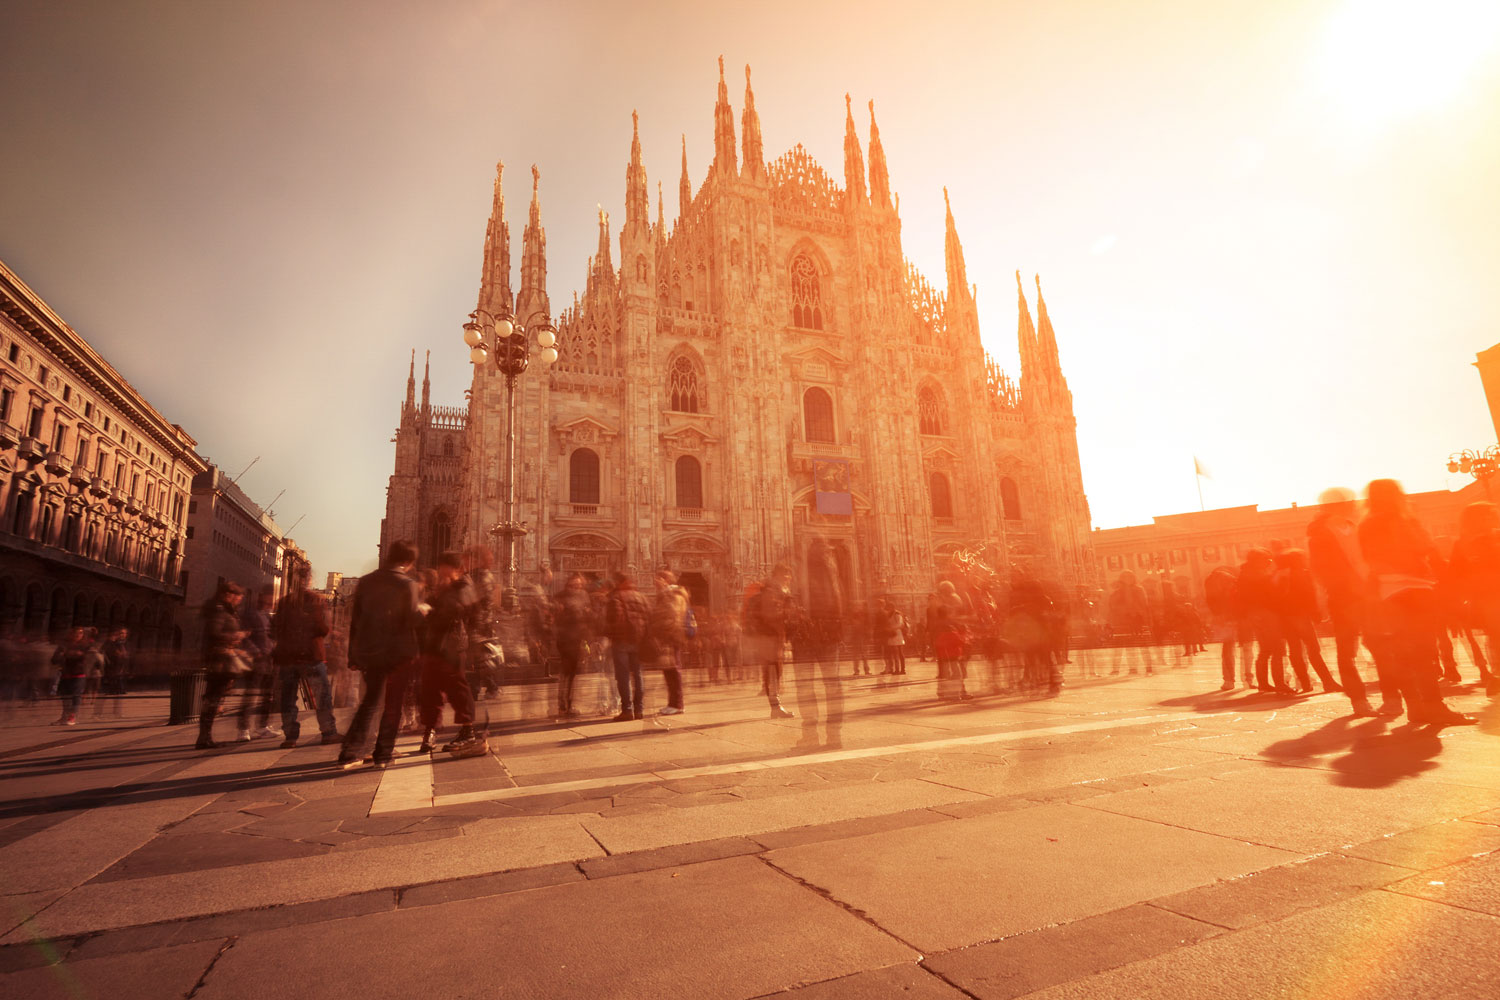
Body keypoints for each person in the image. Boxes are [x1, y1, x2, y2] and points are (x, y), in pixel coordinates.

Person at [1359, 479, 1473, 727]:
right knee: (1425, 652)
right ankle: (1435, 707)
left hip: (1388, 592)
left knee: (1404, 654)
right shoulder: (1403, 520)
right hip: (1413, 587)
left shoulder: (1367, 524)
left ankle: (1416, 707)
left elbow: (1370, 558)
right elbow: (1424, 546)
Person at [341, 541, 424, 767]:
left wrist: (353, 656)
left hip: (368, 652)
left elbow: (356, 622)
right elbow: (411, 620)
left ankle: (349, 752)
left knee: (370, 702)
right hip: (397, 654)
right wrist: (423, 611)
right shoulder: (407, 584)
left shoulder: (367, 581)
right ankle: (383, 753)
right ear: (408, 562)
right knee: (392, 704)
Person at [1307, 488, 1379, 716]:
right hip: (1344, 596)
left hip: (1366, 593)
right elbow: (1322, 569)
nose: (1351, 505)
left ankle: (1390, 696)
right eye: (1347, 502)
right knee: (1347, 650)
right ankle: (1359, 700)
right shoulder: (1320, 533)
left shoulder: (1353, 527)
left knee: (1378, 644)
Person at [418, 551, 485, 756]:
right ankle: (430, 730)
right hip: (433, 645)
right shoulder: (442, 587)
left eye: (444, 567)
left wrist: (432, 607)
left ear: (456, 569)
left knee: (458, 688)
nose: (440, 571)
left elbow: (460, 611)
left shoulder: (464, 586)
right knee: (430, 689)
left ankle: (468, 730)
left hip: (453, 646)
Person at [271, 575, 340, 748]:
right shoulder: (316, 600)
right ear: (309, 581)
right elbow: (321, 627)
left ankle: (290, 736)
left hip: (287, 656)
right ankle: (328, 732)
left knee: (288, 696)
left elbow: (274, 629)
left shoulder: (284, 602)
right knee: (322, 694)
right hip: (311, 655)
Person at [1445, 501, 1500, 696]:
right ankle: (1496, 676)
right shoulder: (1464, 544)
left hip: (1489, 597)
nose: (1491, 517)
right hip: (1486, 598)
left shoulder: (1496, 536)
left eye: (1491, 514)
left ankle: (1496, 677)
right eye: (1486, 515)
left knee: (1495, 637)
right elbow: (1454, 575)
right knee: (1495, 636)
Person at [197, 582, 248, 749]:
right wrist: (235, 635)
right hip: (219, 660)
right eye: (238, 597)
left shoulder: (226, 611)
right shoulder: (220, 611)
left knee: (215, 698)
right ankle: (204, 738)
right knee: (213, 698)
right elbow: (214, 633)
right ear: (229, 595)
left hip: (222, 658)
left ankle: (205, 737)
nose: (239, 600)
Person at [745, 564, 797, 718]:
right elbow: (771, 615)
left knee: (774, 671)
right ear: (778, 576)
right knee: (773, 672)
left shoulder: (776, 592)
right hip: (769, 636)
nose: (788, 581)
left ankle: (776, 706)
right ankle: (776, 707)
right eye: (786, 577)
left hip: (773, 636)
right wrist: (786, 612)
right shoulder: (772, 592)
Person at [603, 570, 651, 721]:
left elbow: (612, 618)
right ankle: (639, 709)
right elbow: (649, 617)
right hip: (639, 640)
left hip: (621, 641)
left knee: (623, 676)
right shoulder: (642, 597)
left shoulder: (616, 596)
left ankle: (627, 710)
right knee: (638, 675)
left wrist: (609, 634)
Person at [236, 589, 279, 742]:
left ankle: (262, 726)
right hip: (256, 660)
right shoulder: (250, 615)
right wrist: (256, 652)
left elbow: (272, 637)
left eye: (272, 601)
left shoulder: (269, 617)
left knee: (268, 695)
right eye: (268, 600)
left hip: (269, 660)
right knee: (251, 695)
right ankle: (244, 728)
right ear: (261, 599)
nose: (270, 603)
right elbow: (244, 637)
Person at [645, 569, 690, 715]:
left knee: (673, 670)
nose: (655, 582)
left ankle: (677, 704)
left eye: (658, 579)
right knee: (669, 670)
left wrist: (660, 632)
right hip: (670, 635)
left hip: (671, 636)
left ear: (666, 580)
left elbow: (670, 616)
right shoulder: (671, 594)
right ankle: (674, 703)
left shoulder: (671, 595)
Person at [552, 573, 594, 717]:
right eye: (574, 585)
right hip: (565, 639)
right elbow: (557, 617)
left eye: (579, 585)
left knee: (573, 674)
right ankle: (563, 705)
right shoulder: (560, 597)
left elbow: (588, 616)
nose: (577, 588)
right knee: (566, 673)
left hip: (578, 639)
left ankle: (570, 704)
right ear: (568, 584)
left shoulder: (584, 596)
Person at [51, 627, 90, 726]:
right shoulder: (64, 645)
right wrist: (63, 654)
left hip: (79, 674)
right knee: (65, 696)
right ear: (70, 634)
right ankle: (64, 716)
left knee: (76, 695)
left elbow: (87, 659)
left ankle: (72, 716)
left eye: (80, 633)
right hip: (66, 674)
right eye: (76, 633)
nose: (78, 635)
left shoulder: (85, 646)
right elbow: (54, 660)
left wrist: (76, 655)